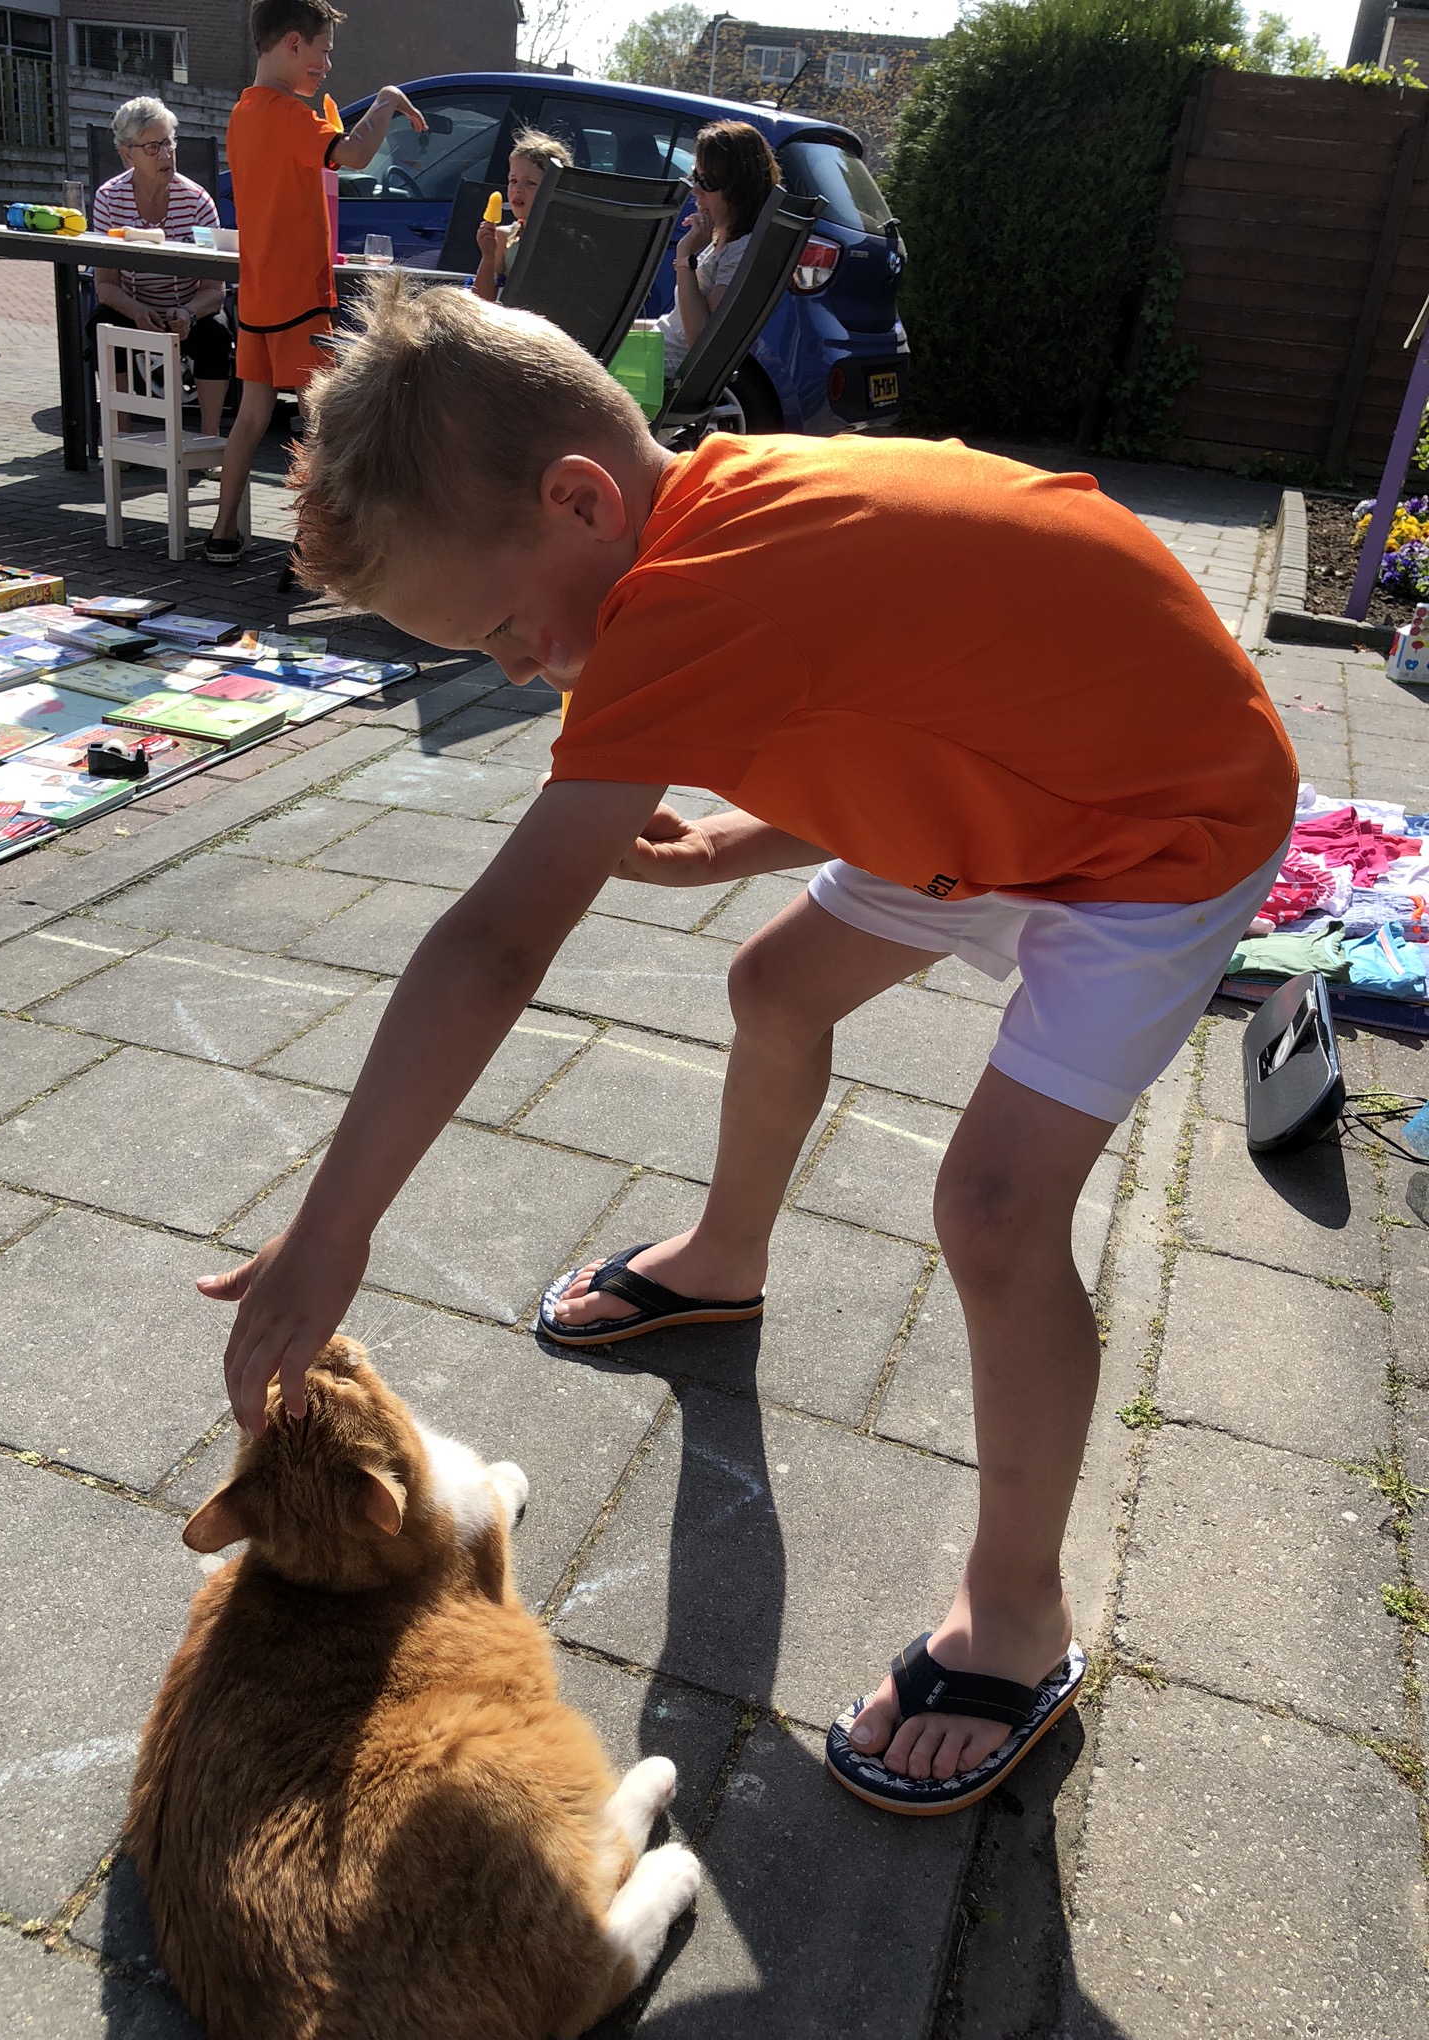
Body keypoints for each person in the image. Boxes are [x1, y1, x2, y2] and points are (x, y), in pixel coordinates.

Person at [198, 280, 1297, 1818]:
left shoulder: (690, 597)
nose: (513, 668)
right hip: (1021, 781)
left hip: (1160, 826)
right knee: (778, 985)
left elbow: (495, 944)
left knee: (992, 1208)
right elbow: (897, 702)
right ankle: (725, 1258)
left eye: (501, 628)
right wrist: (733, 846)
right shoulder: (709, 523)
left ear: (580, 501)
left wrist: (334, 1229)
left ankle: (1019, 1612)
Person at [203, 0, 425, 566]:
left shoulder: (244, 112)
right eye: (322, 52)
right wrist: (385, 101)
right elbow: (355, 154)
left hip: (257, 294)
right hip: (299, 296)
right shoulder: (286, 114)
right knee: (320, 423)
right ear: (291, 43)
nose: (326, 65)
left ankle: (223, 531)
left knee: (251, 417)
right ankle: (317, 541)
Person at [90, 96, 234, 439]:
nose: (166, 155)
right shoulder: (109, 199)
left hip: (186, 311)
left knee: (216, 334)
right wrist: (137, 311)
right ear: (128, 154)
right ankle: (122, 438)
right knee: (100, 324)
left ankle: (209, 439)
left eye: (168, 143)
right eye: (152, 147)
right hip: (134, 307)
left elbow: (215, 290)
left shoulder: (198, 201)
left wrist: (189, 313)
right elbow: (105, 284)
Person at [658, 121, 778, 378]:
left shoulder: (740, 251)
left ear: (739, 189)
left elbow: (702, 342)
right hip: (654, 356)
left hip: (662, 372)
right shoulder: (724, 241)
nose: (695, 190)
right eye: (695, 176)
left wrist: (685, 257)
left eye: (706, 181)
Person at [472, 129, 574, 302]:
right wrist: (489, 257)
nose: (517, 189)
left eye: (530, 183)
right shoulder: (503, 238)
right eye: (513, 181)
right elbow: (481, 304)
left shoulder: (573, 242)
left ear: (558, 190)